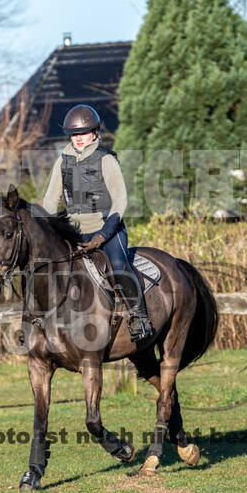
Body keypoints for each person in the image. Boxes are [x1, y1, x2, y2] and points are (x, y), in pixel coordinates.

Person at [43, 104, 153, 342]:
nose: (78, 138)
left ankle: (138, 316)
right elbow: (51, 201)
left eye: (82, 133)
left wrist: (103, 235)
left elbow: (120, 200)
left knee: (117, 264)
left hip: (107, 229)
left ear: (94, 132)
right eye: (74, 134)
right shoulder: (62, 162)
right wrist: (45, 229)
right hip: (75, 232)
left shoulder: (106, 159)